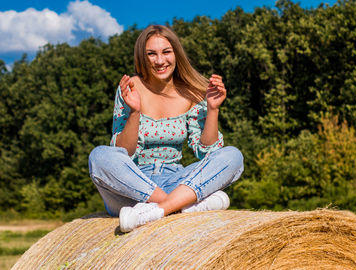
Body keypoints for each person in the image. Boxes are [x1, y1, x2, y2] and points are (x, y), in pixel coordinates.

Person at [88, 25, 244, 232]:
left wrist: (213, 109)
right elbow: (123, 153)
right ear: (142, 57)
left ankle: (158, 211)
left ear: (176, 54)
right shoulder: (130, 87)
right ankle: (179, 205)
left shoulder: (191, 93)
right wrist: (134, 112)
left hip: (176, 179)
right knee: (99, 156)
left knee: (232, 156)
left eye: (166, 52)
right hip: (132, 187)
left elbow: (206, 151)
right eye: (151, 54)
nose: (160, 61)